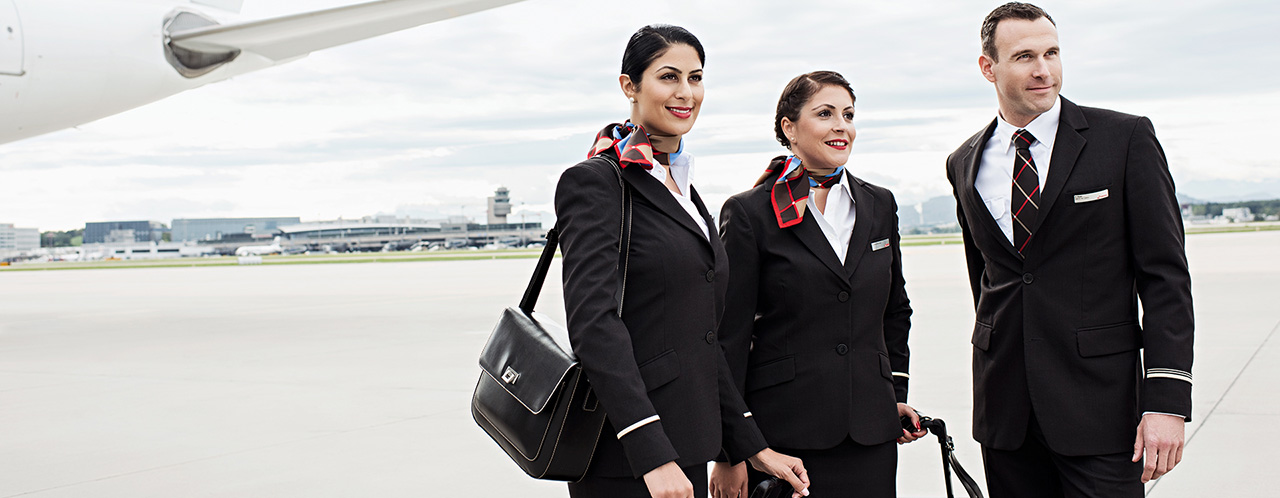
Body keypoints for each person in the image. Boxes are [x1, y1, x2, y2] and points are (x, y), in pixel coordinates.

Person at [944, 3, 1194, 497]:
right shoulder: (964, 162)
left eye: (1052, 53)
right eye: (1025, 57)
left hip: (1100, 409)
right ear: (987, 67)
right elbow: (989, 282)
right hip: (1005, 414)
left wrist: (1166, 400)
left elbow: (1165, 278)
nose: (1044, 70)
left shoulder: (1123, 139)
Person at [554, 25, 811, 498]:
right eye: (668, 77)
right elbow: (594, 324)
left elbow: (700, 336)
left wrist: (750, 446)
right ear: (629, 86)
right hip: (629, 458)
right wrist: (651, 452)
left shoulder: (682, 187)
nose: (685, 93)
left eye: (695, 78)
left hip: (687, 443)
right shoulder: (596, 182)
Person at [707, 71, 925, 498]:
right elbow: (728, 337)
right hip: (783, 438)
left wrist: (893, 393)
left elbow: (895, 310)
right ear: (789, 128)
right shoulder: (751, 213)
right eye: (824, 113)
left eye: (848, 114)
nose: (841, 125)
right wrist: (732, 450)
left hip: (870, 434)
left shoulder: (880, 204)